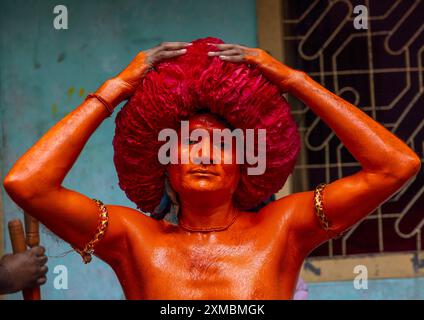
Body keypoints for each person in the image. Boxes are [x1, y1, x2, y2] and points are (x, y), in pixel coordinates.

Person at [3, 37, 420, 299]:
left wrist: (294, 80)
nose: (205, 154)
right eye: (189, 142)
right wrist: (116, 89)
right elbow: (27, 184)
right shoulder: (132, 238)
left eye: (223, 143)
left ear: (246, 165)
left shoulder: (284, 227)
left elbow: (395, 166)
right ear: (162, 163)